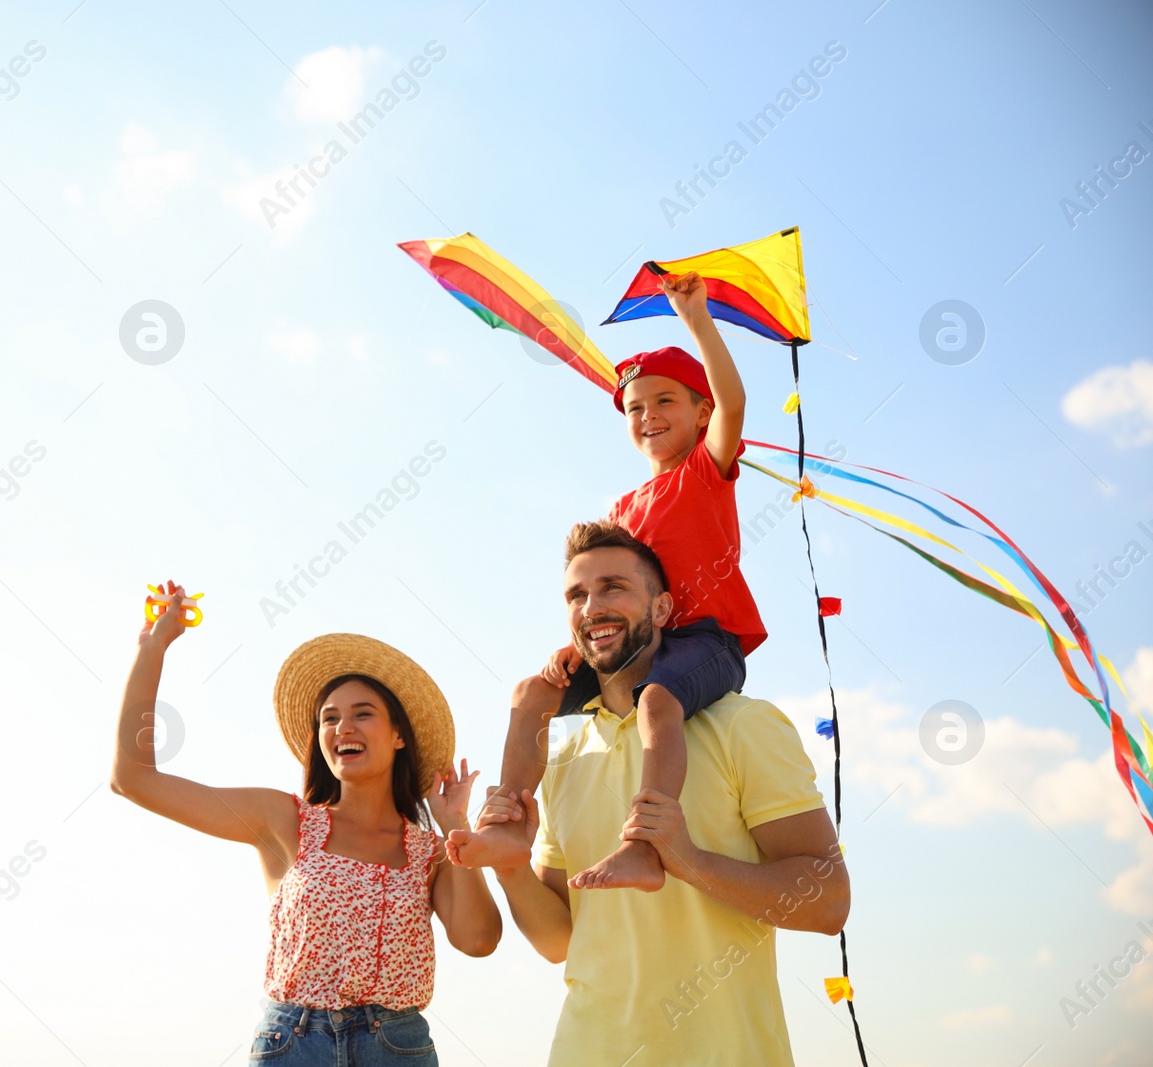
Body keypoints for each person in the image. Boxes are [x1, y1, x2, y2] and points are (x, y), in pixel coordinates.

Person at [448, 523, 848, 1065]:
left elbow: (828, 904)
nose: (593, 606)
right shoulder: (563, 756)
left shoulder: (743, 725)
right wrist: (513, 868)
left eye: (614, 587)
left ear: (661, 610)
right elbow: (559, 942)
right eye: (577, 595)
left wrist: (688, 862)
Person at [452, 269, 764, 890]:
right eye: (635, 407)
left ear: (701, 413)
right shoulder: (622, 509)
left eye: (665, 401)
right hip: (637, 644)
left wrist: (696, 319)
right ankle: (511, 815)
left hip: (706, 641)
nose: (648, 415)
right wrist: (579, 646)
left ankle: (645, 848)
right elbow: (607, 592)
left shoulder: (706, 470)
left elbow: (735, 403)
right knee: (531, 693)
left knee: (657, 699)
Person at [111, 581, 501, 1065]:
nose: (343, 728)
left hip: (397, 1048)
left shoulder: (432, 851)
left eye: (363, 714)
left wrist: (454, 826)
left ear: (399, 734)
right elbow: (134, 780)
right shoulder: (283, 819)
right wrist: (152, 650)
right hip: (292, 1044)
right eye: (329, 719)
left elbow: (479, 941)